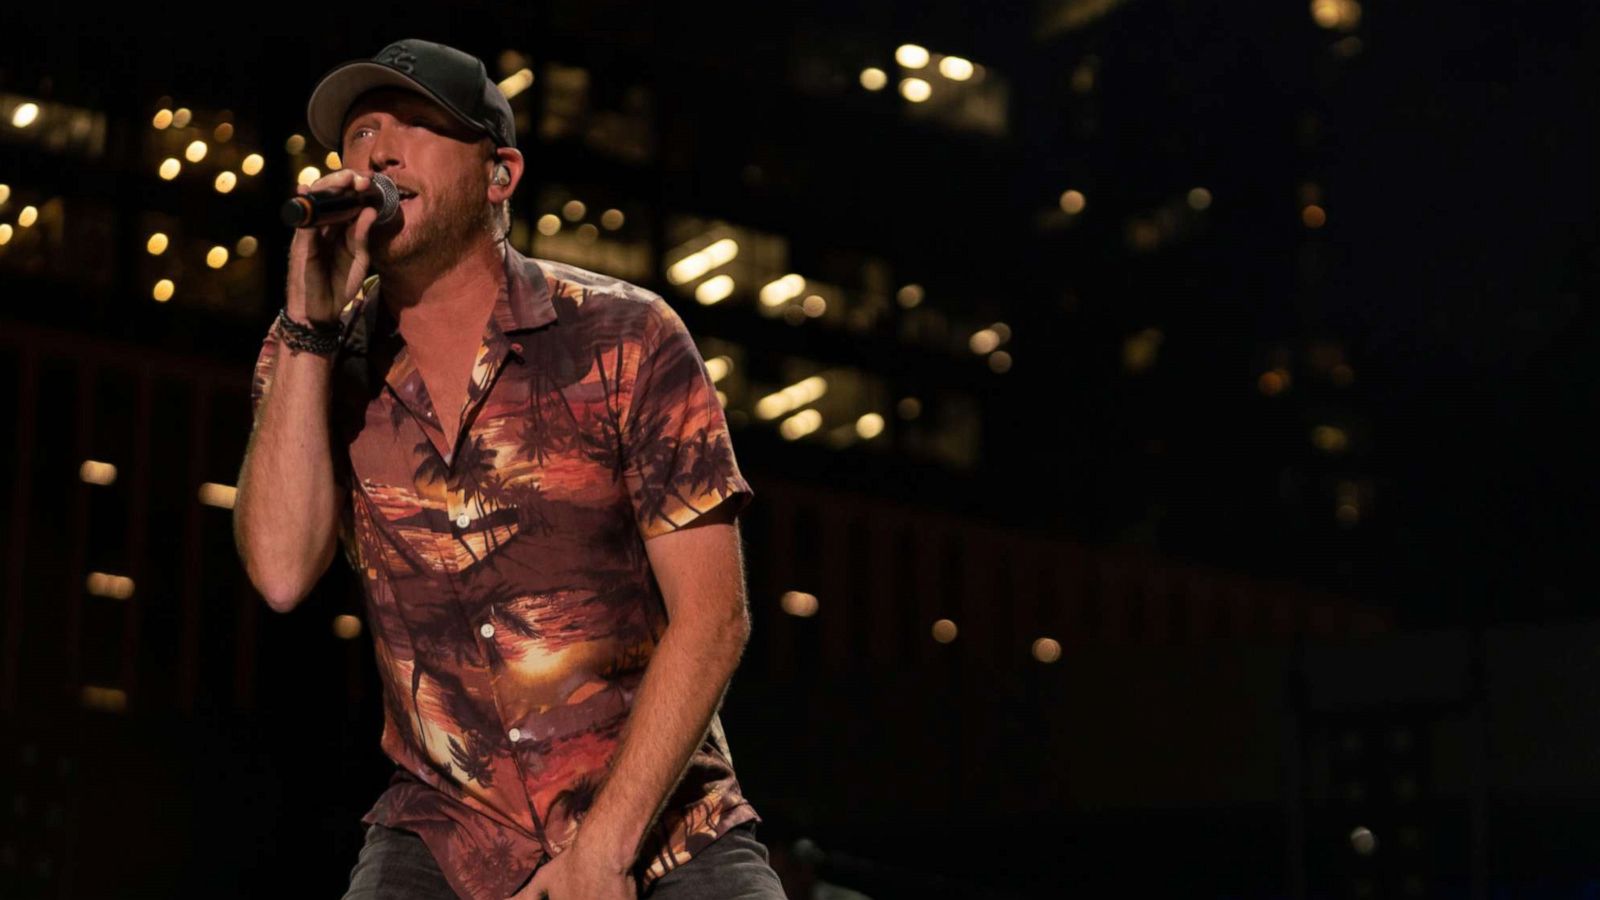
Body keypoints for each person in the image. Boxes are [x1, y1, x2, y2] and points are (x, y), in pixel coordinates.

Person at [233, 38, 784, 900]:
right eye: (360, 132)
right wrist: (307, 328)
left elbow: (715, 617)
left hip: (664, 824)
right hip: (446, 831)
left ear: (500, 174)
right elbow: (277, 571)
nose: (376, 150)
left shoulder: (624, 336)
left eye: (415, 125)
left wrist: (600, 852)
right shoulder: (313, 356)